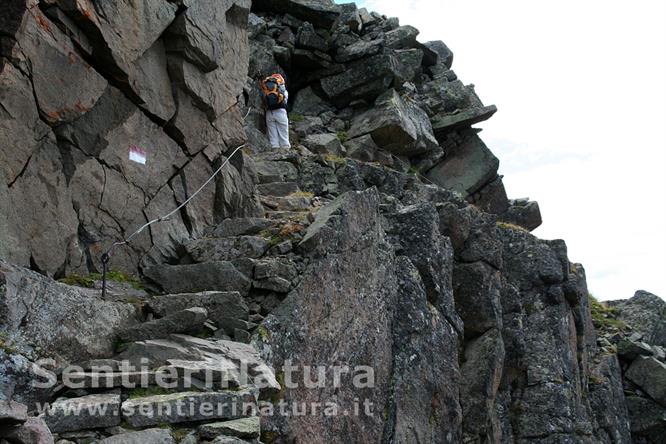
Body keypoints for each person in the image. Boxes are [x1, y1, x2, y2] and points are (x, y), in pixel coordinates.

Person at [260, 73, 291, 149]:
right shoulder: (283, 90)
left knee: (273, 135)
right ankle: (285, 150)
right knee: (283, 133)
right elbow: (285, 100)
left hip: (269, 113)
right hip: (281, 112)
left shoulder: (266, 88)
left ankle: (274, 149)